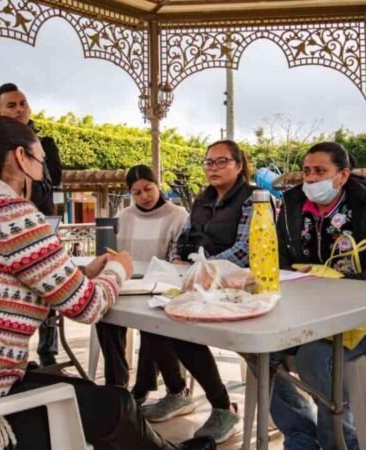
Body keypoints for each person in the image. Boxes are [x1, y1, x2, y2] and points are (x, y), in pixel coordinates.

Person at [0, 115, 214, 450]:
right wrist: (118, 268)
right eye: (41, 161)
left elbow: (8, 285)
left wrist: (85, 274)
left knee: (94, 398)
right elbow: (88, 307)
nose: (45, 172)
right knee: (115, 406)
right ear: (22, 158)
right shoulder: (11, 214)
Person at [259, 142, 366, 450]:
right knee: (259, 352)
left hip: (361, 318)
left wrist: (340, 280)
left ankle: (340, 443)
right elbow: (278, 261)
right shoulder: (289, 209)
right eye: (306, 171)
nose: (311, 179)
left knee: (314, 358)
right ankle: (300, 436)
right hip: (302, 313)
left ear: (341, 176)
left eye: (320, 171)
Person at [131, 140, 252, 444]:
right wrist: (176, 260)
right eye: (209, 162)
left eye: (221, 162)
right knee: (154, 316)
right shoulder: (202, 199)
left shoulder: (252, 198)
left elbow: (245, 249)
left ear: (238, 165)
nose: (213, 168)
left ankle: (224, 407)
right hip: (195, 279)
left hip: (238, 285)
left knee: (178, 321)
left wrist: (204, 268)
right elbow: (183, 237)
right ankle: (176, 392)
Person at [94, 165, 190, 406]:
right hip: (127, 284)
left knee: (151, 324)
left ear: (158, 185)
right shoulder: (125, 216)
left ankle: (145, 387)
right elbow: (115, 252)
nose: (144, 197)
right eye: (136, 193)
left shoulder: (178, 215)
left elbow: (179, 257)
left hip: (161, 286)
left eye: (148, 189)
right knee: (104, 317)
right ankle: (116, 386)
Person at [0, 82, 65, 368]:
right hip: (7, 226)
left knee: (51, 289)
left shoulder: (44, 144)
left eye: (23, 103)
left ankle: (48, 354)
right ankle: (12, 356)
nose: (19, 109)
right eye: (11, 105)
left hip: (42, 223)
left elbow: (57, 179)